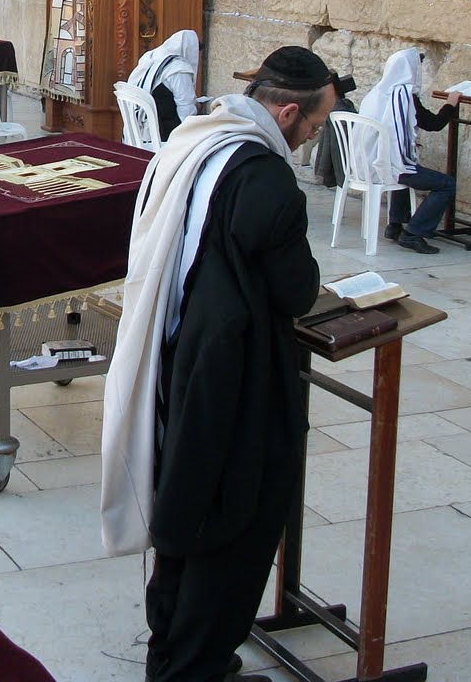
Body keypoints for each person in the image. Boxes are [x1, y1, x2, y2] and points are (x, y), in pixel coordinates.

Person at [101, 45, 336, 682]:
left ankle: (171, 651)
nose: (311, 141)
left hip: (176, 352)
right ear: (286, 114)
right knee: (233, 519)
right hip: (232, 380)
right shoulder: (264, 176)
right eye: (313, 127)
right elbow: (295, 288)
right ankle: (196, 666)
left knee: (184, 504)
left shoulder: (197, 138)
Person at [357, 47, 460, 254]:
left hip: (363, 165)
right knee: (446, 184)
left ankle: (394, 224)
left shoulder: (376, 93)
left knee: (401, 168)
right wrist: (451, 103)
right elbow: (434, 124)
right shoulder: (404, 97)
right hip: (386, 167)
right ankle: (413, 233)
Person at [128, 30, 203, 141]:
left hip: (139, 125)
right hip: (164, 133)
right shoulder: (178, 69)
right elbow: (187, 112)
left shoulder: (149, 58)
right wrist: (198, 107)